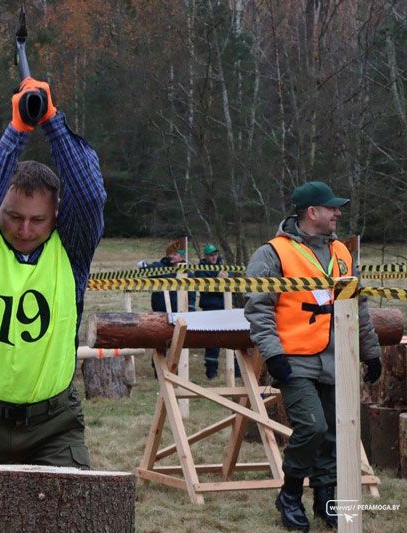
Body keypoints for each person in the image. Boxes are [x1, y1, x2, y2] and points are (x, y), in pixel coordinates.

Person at [0, 77, 105, 468]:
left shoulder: (71, 250)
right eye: (13, 217)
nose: (24, 230)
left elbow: (88, 195)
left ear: (56, 217)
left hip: (55, 424)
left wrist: (52, 119)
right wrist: (16, 130)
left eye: (38, 220)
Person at [244, 181, 382, 530]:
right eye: (332, 208)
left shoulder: (343, 254)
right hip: (295, 359)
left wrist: (371, 352)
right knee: (312, 426)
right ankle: (289, 495)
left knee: (334, 433)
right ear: (312, 212)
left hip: (338, 357)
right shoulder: (272, 253)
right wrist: (273, 356)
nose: (338, 213)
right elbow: (259, 311)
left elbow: (358, 307)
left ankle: (325, 498)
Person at [194, 244, 239, 379]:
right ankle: (211, 373)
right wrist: (217, 281)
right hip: (210, 309)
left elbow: (233, 287)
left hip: (226, 307)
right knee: (212, 341)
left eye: (215, 254)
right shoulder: (200, 269)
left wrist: (227, 279)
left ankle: (237, 371)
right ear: (206, 256)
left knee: (233, 338)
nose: (214, 257)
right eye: (211, 255)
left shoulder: (224, 267)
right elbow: (204, 287)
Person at [145, 248, 196, 313]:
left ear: (181, 257)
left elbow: (191, 295)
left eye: (175, 254)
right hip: (159, 310)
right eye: (170, 254)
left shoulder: (189, 275)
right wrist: (146, 266)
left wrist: (191, 308)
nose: (171, 256)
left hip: (178, 311)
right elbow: (151, 273)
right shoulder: (161, 267)